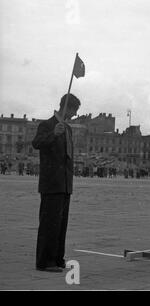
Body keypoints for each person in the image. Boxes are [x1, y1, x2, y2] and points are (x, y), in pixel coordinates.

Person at [32, 93, 80, 272]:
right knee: (49, 223)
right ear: (66, 107)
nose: (74, 115)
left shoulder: (68, 129)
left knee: (61, 224)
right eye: (74, 111)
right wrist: (53, 133)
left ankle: (58, 258)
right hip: (51, 182)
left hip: (65, 183)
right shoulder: (47, 125)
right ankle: (45, 261)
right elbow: (37, 143)